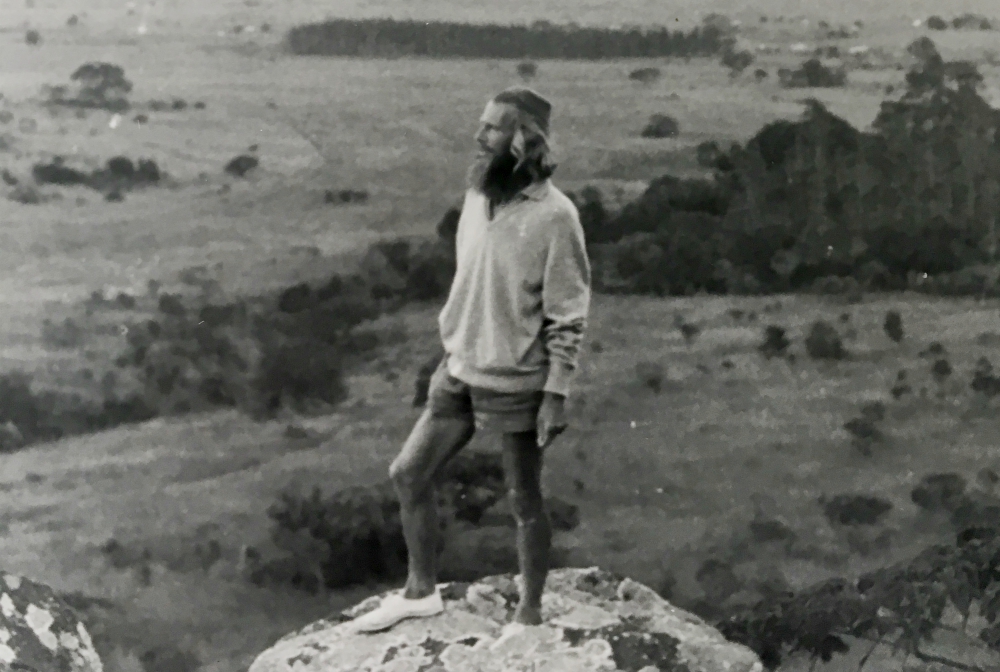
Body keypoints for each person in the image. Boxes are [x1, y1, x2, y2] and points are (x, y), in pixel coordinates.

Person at [351, 86, 591, 633]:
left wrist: (555, 394)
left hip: (517, 381)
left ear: (521, 140)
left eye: (491, 128)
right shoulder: (478, 197)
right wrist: (455, 344)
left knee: (522, 499)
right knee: (408, 474)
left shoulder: (557, 217)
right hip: (458, 366)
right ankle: (419, 593)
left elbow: (569, 315)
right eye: (481, 124)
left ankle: (528, 617)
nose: (477, 136)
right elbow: (473, 280)